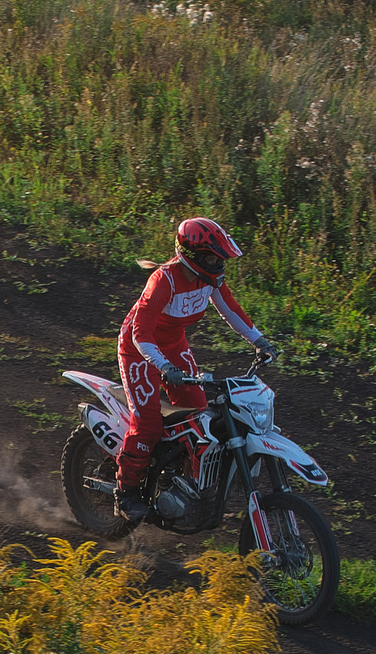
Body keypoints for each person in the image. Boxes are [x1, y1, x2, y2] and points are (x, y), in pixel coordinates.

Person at [113, 216, 276, 521]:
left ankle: (182, 482)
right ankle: (126, 492)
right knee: (147, 424)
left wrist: (259, 340)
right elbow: (140, 333)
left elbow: (230, 309)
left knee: (199, 414)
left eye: (221, 257)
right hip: (139, 350)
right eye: (214, 257)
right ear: (193, 256)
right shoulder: (165, 280)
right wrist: (162, 366)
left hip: (174, 346)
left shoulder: (208, 280)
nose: (219, 263)